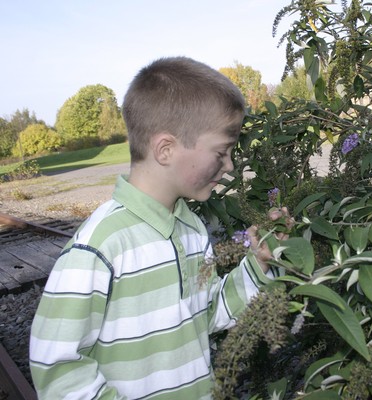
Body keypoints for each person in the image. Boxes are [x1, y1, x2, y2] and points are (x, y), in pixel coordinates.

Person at [29, 56, 285, 399]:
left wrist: (260, 264)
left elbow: (206, 315)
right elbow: (57, 368)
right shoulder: (100, 247)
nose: (230, 165)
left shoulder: (192, 230)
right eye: (222, 152)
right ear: (165, 149)